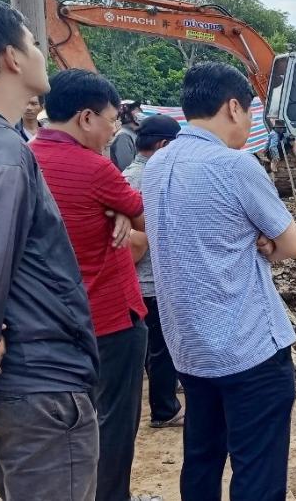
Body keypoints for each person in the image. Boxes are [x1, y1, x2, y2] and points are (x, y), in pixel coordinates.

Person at [142, 61, 296, 501]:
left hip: (190, 349)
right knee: (258, 469)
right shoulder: (234, 165)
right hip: (247, 347)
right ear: (233, 107)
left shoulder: (156, 166)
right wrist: (264, 244)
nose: (249, 123)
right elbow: (292, 245)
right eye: (250, 112)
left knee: (202, 457)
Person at [0, 0, 99, 499]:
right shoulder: (2, 154)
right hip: (39, 388)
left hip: (19, 387)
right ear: (12, 58)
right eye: (33, 42)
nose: (43, 53)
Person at [31, 69, 150, 501]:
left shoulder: (27, 156)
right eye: (110, 118)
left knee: (73, 423)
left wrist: (120, 210)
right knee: (114, 423)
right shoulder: (96, 168)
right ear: (85, 118)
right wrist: (123, 210)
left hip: (54, 324)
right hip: (111, 318)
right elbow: (144, 218)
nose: (113, 128)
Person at [121, 114, 185, 430]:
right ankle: (165, 409)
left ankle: (168, 389)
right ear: (162, 145)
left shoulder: (125, 175)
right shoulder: (153, 179)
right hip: (153, 278)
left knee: (151, 346)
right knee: (163, 346)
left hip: (133, 279)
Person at [110, 99, 143, 171]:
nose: (140, 113)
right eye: (137, 110)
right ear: (126, 115)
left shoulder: (135, 134)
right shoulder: (123, 136)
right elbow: (127, 168)